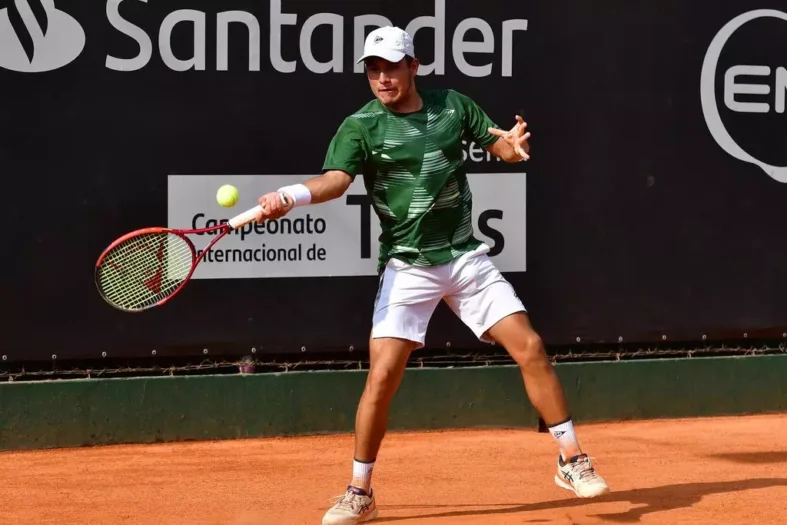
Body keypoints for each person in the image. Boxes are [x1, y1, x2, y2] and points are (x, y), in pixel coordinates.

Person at [255, 25, 610, 525]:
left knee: (529, 346)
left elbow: (500, 145)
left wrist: (509, 148)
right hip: (407, 266)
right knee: (380, 379)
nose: (381, 78)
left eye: (391, 67)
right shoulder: (360, 127)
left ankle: (572, 459)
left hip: (464, 257)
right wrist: (290, 196)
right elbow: (335, 181)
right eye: (372, 69)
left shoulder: (451, 106)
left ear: (412, 66)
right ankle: (360, 491)